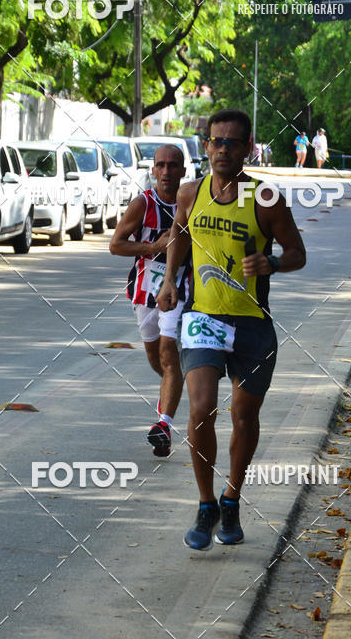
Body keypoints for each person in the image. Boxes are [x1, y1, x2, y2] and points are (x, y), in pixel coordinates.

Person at [157, 109, 306, 551]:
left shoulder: (265, 199)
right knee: (201, 408)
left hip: (253, 325)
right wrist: (169, 279)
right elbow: (179, 236)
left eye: (232, 143)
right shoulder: (190, 193)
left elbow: (297, 252)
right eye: (216, 141)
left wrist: (273, 262)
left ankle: (232, 498)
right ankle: (205, 505)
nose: (223, 149)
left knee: (244, 416)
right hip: (204, 318)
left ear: (247, 148)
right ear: (205, 146)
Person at [109, 144, 191, 457]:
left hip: (182, 290)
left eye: (174, 166)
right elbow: (116, 245)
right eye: (162, 166)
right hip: (145, 292)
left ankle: (163, 425)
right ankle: (174, 387)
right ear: (153, 170)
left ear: (183, 171)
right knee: (157, 360)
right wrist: (152, 246)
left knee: (170, 355)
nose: (167, 171)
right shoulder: (143, 204)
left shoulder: (193, 201)